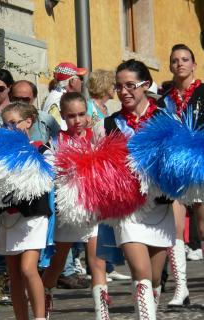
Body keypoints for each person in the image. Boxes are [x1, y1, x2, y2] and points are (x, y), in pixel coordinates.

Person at [105, 59, 176, 318]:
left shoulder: (164, 118)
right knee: (141, 273)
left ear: (145, 85)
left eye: (130, 85)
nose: (124, 92)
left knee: (156, 278)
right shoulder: (111, 123)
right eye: (119, 86)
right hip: (128, 209)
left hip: (160, 207)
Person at [41, 92, 106, 319]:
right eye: (71, 116)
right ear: (63, 116)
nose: (77, 120)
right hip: (68, 210)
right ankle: (45, 300)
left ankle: (102, 313)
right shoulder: (57, 142)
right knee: (57, 264)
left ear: (88, 114)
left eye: (81, 114)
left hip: (94, 208)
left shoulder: (97, 137)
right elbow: (49, 173)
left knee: (97, 261)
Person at [0, 101, 52, 320]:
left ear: (28, 122)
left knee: (28, 268)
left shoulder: (41, 149)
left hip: (33, 217)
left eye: (14, 123)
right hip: (8, 218)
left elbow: (47, 179)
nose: (10, 129)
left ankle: (39, 317)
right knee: (14, 275)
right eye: (5, 125)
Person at [157, 43, 204, 308]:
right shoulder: (165, 99)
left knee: (202, 227)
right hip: (174, 169)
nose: (180, 64)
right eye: (175, 60)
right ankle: (181, 289)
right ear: (170, 65)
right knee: (173, 231)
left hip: (200, 164)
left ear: (194, 64)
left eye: (185, 59)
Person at [85, 70, 131, 283]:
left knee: (108, 220)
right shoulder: (90, 108)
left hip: (109, 166)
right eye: (114, 85)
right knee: (98, 223)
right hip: (97, 166)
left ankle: (109, 263)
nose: (117, 89)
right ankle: (99, 266)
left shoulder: (105, 108)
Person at [42, 62, 88, 130]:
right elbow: (62, 129)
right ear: (72, 81)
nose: (82, 82)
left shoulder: (56, 95)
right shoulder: (59, 99)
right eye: (80, 78)